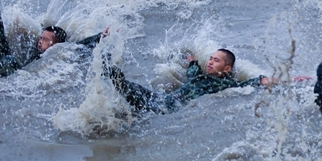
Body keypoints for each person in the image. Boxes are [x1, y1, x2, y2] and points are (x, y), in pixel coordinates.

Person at [0, 0, 103, 77]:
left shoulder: (59, 54)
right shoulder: (36, 54)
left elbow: (80, 45)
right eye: (41, 38)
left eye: (46, 40)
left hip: (16, 75)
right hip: (12, 71)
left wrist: (100, 36)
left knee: (4, 57)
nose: (40, 41)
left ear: (57, 45)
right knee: (0, 45)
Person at [103, 48, 276, 115]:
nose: (210, 62)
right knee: (132, 88)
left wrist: (267, 81)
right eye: (210, 58)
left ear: (227, 69)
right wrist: (191, 59)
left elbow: (247, 84)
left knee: (126, 88)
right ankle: (107, 68)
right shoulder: (197, 75)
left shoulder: (225, 85)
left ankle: (106, 68)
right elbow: (192, 68)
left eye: (216, 61)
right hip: (159, 98)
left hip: (163, 109)